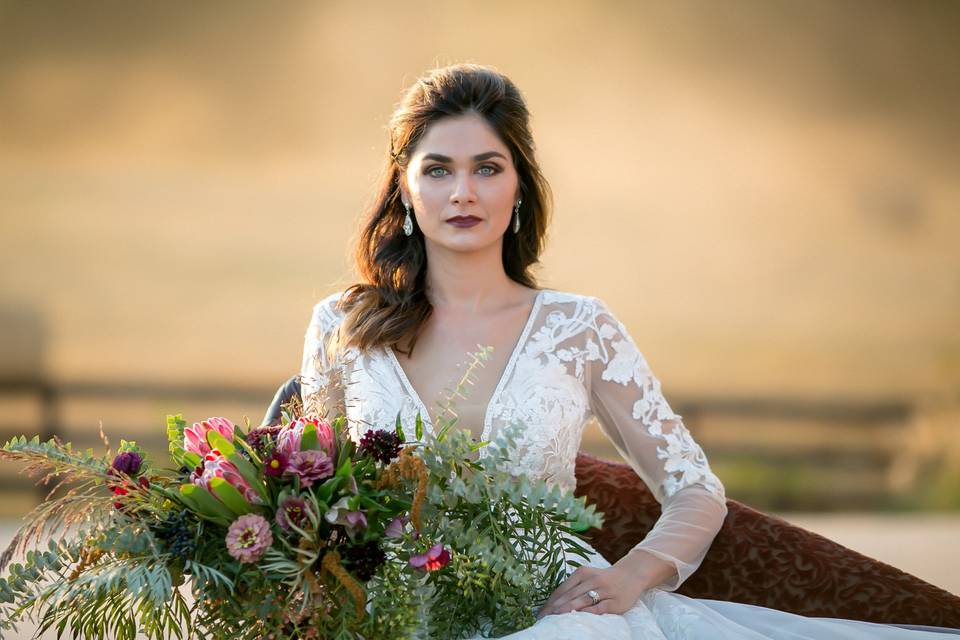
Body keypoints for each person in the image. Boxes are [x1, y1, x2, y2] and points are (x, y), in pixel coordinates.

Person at [298, 63, 959, 639]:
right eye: (437, 170)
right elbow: (305, 498)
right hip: (391, 614)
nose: (462, 192)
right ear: (406, 188)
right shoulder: (344, 326)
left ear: (520, 186)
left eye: (487, 169)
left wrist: (627, 579)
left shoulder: (578, 328)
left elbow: (696, 492)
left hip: (559, 612)